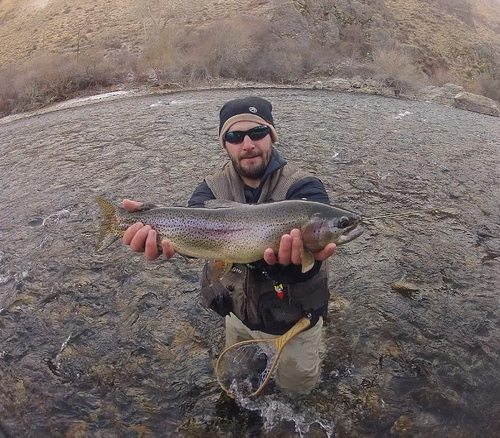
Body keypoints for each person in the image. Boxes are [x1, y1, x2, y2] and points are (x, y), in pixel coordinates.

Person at [122, 96, 336, 394]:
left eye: (257, 133)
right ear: (226, 145)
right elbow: (191, 236)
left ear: (272, 136)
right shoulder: (209, 190)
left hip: (295, 322)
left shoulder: (304, 188)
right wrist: (158, 231)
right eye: (235, 137)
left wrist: (290, 266)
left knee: (298, 394)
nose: (247, 144)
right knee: (237, 384)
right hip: (237, 315)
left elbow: (314, 259)